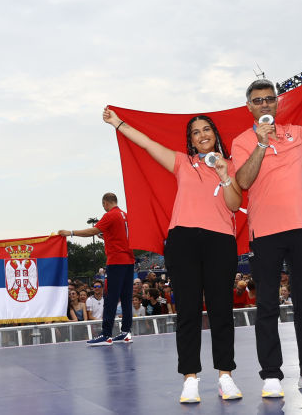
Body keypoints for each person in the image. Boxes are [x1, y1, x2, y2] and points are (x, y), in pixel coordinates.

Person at [96, 107, 245, 402]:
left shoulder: (231, 165)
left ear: (215, 134)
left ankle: (225, 376)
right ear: (190, 140)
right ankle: (190, 378)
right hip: (183, 240)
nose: (202, 135)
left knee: (221, 311)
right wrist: (118, 123)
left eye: (206, 129)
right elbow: (148, 144)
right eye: (196, 132)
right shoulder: (182, 163)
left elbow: (233, 204)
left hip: (220, 241)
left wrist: (225, 176)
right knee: (188, 311)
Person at [233, 76, 302, 397]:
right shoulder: (243, 141)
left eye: (269, 99)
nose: (265, 104)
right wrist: (261, 143)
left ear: (276, 102)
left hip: (301, 228)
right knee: (267, 305)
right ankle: (271, 375)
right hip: (265, 233)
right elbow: (243, 181)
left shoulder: (296, 133)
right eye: (258, 100)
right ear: (249, 106)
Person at [59, 192, 135, 347]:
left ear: (105, 203)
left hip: (116, 260)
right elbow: (122, 236)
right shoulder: (125, 215)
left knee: (111, 297)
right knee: (126, 298)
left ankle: (106, 335)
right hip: (129, 260)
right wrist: (106, 237)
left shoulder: (110, 215)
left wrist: (71, 233)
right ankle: (126, 332)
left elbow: (92, 231)